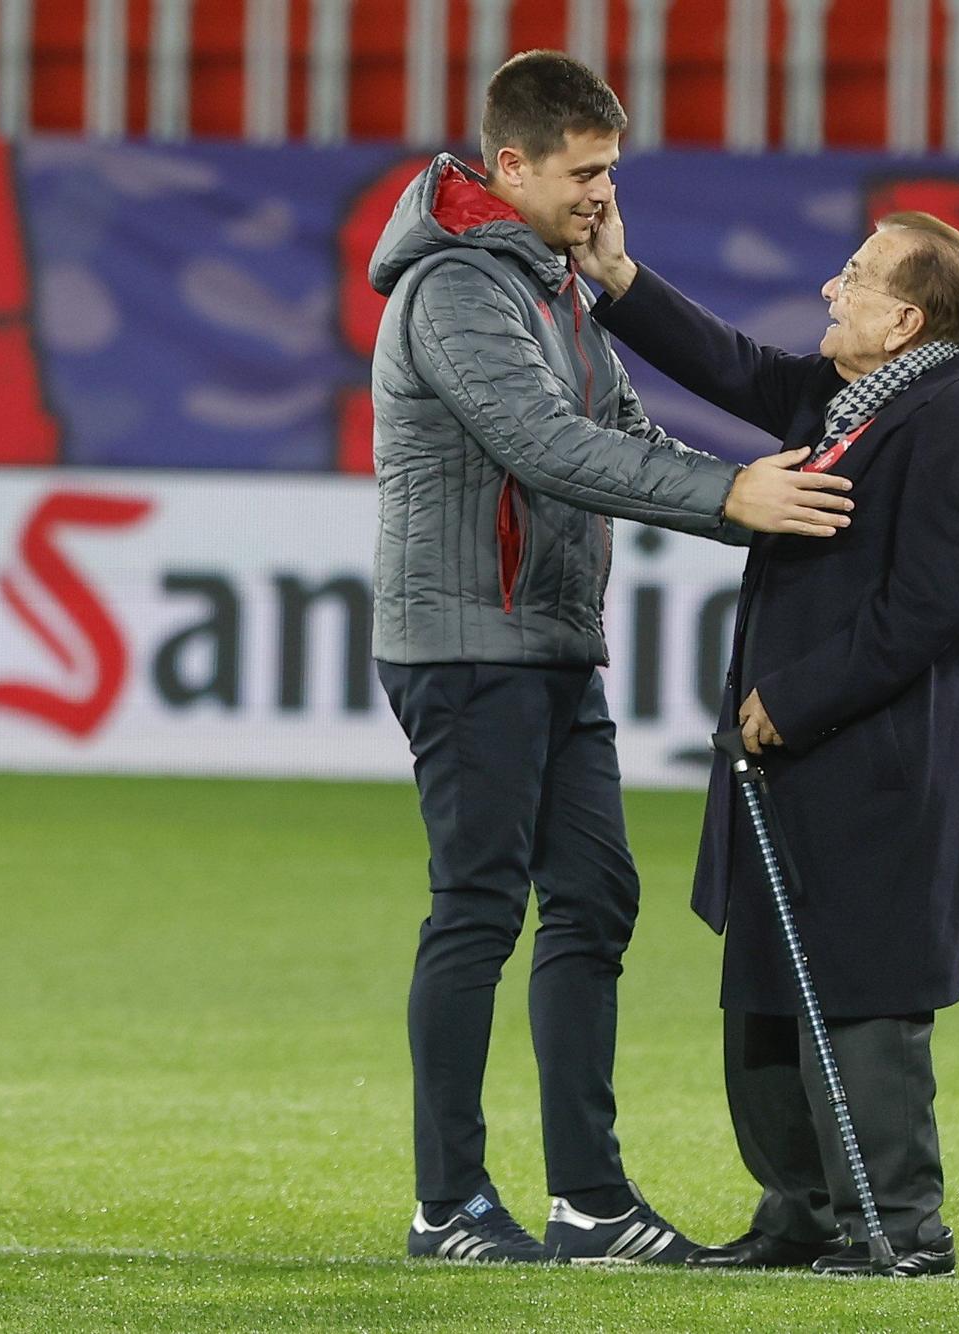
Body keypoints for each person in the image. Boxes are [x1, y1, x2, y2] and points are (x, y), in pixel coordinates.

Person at [367, 49, 856, 1265]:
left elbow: (619, 428)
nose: (601, 193)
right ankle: (449, 1204)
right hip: (467, 640)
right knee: (476, 906)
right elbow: (542, 444)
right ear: (512, 164)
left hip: (547, 640)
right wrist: (724, 496)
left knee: (593, 898)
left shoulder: (553, 283)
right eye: (583, 172)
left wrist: (758, 480)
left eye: (611, 172)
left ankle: (588, 1199)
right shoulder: (457, 292)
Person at [575, 204, 959, 1277]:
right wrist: (617, 275)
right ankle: (798, 1212)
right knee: (769, 980)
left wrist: (798, 694)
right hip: (791, 757)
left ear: (905, 319)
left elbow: (931, 604)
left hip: (871, 760)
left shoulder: (957, 422)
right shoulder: (849, 398)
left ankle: (898, 1227)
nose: (832, 288)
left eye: (855, 277)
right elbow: (733, 367)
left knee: (862, 988)